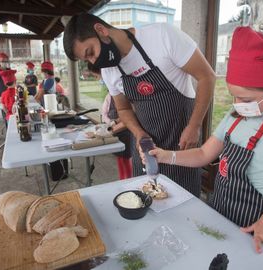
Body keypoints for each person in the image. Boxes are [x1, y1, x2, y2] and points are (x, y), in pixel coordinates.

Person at [144, 22, 263, 256]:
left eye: (246, 100)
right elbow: (204, 154)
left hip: (258, 230)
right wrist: (166, 155)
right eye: (233, 97)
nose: (238, 106)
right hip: (219, 217)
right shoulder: (235, 117)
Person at [63, 13, 216, 197]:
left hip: (181, 148)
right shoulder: (109, 71)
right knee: (146, 207)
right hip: (145, 152)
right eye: (87, 60)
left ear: (101, 30)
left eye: (91, 52)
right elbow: (124, 108)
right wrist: (139, 133)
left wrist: (194, 125)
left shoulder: (161, 36)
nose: (94, 61)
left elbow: (206, 76)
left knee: (184, 210)